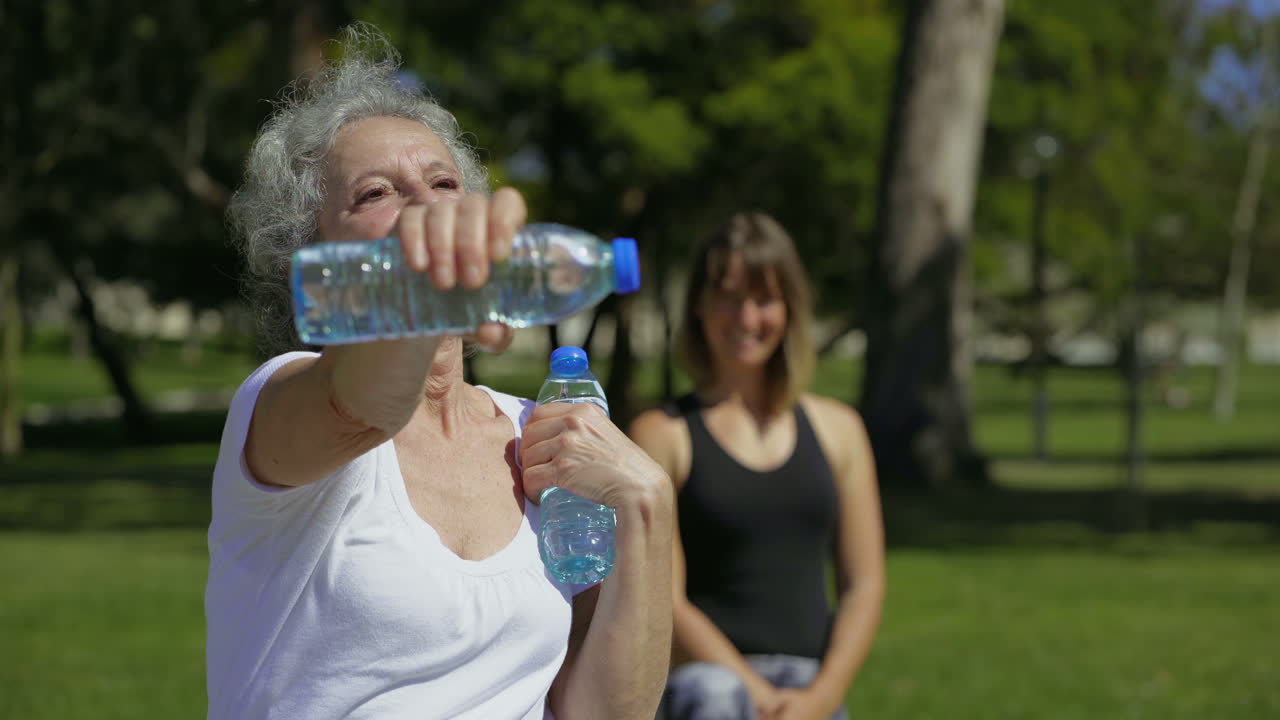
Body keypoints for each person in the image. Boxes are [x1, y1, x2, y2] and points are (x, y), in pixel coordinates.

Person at [207, 23, 673, 720]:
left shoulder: (539, 431)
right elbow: (363, 407)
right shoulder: (279, 403)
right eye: (374, 194)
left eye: (443, 183)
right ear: (313, 253)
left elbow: (608, 713)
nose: (424, 206)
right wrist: (420, 293)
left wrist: (649, 506)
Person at [629, 213, 885, 720]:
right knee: (718, 696)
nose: (746, 318)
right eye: (728, 296)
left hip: (812, 686)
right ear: (700, 304)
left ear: (789, 309)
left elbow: (864, 585)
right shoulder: (663, 434)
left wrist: (822, 697)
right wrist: (759, 697)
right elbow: (666, 598)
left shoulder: (841, 431)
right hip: (702, 684)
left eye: (764, 299)